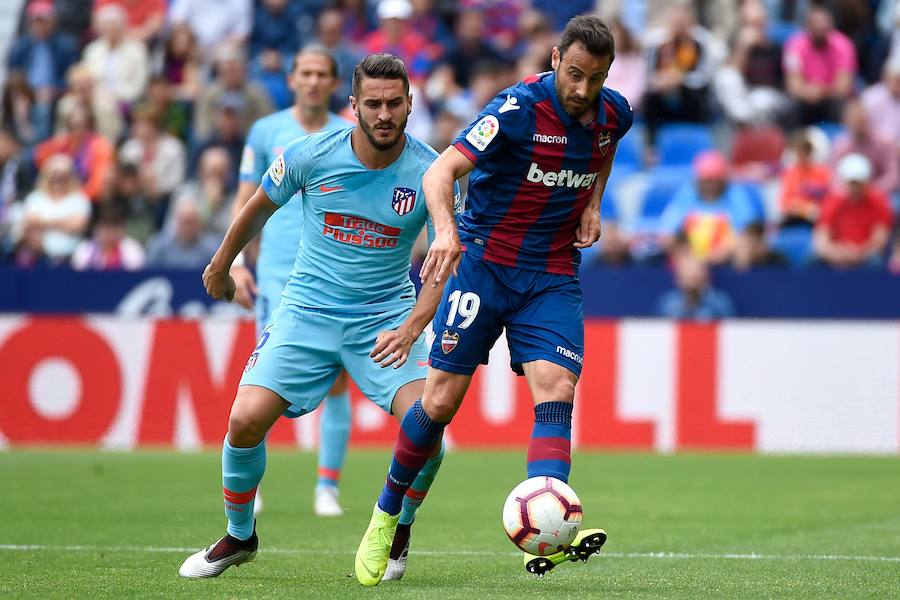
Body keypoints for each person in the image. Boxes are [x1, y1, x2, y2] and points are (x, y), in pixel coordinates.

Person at [354, 15, 632, 586]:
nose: (583, 90)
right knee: (438, 405)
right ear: (556, 59)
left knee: (557, 389)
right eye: (575, 74)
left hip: (552, 272)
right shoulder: (516, 110)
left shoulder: (614, 114)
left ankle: (550, 527)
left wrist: (593, 202)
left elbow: (604, 149)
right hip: (482, 265)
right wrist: (446, 230)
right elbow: (440, 174)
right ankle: (388, 518)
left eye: (596, 78)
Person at [178, 53, 457, 580]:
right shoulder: (310, 154)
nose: (383, 114)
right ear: (352, 106)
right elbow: (258, 205)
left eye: (394, 103)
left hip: (385, 317)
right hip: (306, 310)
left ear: (410, 105)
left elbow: (445, 260)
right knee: (243, 420)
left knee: (429, 423)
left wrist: (413, 326)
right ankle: (240, 537)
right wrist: (221, 266)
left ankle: (399, 526)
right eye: (372, 103)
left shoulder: (432, 172)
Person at [230, 46, 353, 519]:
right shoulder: (266, 132)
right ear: (292, 77)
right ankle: (251, 483)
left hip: (336, 276)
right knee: (264, 382)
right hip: (280, 274)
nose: (315, 81)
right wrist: (239, 261)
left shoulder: (351, 131)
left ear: (334, 81)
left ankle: (327, 487)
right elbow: (247, 198)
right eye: (307, 73)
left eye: (324, 73)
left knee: (339, 381)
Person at [659, 150, 759, 264]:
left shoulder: (735, 193)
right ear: (698, 181)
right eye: (705, 181)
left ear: (723, 180)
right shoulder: (687, 194)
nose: (709, 186)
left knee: (744, 250)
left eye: (713, 180)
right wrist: (688, 252)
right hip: (693, 258)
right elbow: (667, 233)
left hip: (728, 256)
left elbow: (746, 231)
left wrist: (722, 252)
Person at [814, 153, 893, 269]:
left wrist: (858, 254)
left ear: (866, 182)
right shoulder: (832, 202)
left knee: (875, 261)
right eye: (852, 182)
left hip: (866, 257)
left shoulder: (879, 202)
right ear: (844, 182)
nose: (855, 188)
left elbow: (879, 241)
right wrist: (837, 252)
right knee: (813, 261)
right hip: (838, 255)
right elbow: (822, 240)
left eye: (858, 183)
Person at [783, 4, 857, 125]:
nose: (820, 31)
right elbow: (793, 86)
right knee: (791, 106)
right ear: (808, 27)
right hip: (805, 98)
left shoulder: (843, 45)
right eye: (816, 27)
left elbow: (843, 87)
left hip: (831, 98)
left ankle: (840, 141)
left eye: (824, 28)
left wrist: (821, 91)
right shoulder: (794, 46)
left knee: (841, 105)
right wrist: (808, 92)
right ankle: (794, 141)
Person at [656, 250, 736, 319]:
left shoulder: (719, 302)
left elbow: (731, 330)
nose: (692, 276)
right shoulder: (668, 303)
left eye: (696, 272)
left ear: (706, 275)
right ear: (677, 278)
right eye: (686, 272)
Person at [144, 198, 220, 269]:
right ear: (176, 222)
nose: (188, 228)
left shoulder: (213, 248)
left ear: (199, 222)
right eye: (184, 222)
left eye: (191, 222)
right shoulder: (158, 246)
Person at [71, 202, 145, 270]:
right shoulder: (84, 249)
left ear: (122, 228)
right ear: (96, 228)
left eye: (114, 227)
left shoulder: (132, 249)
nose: (110, 232)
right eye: (105, 226)